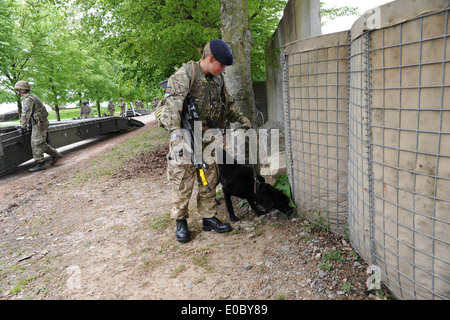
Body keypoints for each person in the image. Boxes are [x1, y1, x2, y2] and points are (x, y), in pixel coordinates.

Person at [159, 39, 252, 243]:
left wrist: (242, 119)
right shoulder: (185, 75)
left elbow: (227, 107)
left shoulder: (217, 80)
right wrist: (177, 136)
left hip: (207, 137)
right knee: (183, 178)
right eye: (222, 65)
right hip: (184, 135)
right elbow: (172, 107)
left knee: (208, 177)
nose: (224, 70)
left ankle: (208, 218)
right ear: (211, 58)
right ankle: (181, 221)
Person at [15, 81, 62, 172]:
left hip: (39, 123)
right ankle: (56, 155)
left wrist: (23, 126)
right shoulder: (31, 97)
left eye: (18, 90)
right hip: (39, 122)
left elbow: (25, 114)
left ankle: (40, 163)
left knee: (36, 143)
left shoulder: (28, 99)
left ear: (23, 89)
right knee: (40, 143)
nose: (17, 92)